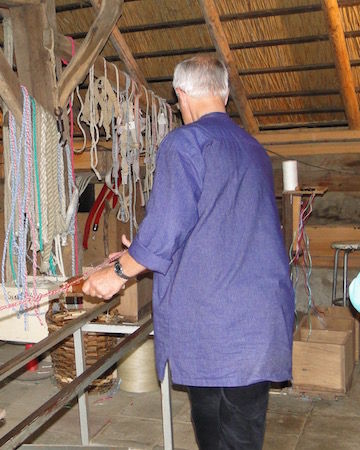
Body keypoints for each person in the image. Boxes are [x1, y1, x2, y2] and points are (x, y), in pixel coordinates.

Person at [83, 55, 295, 450]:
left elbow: (166, 230)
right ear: (225, 94)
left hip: (214, 326)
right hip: (258, 322)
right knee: (235, 435)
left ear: (181, 94)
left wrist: (117, 275)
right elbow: (215, 227)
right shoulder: (253, 149)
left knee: (217, 436)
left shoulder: (185, 143)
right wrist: (142, 250)